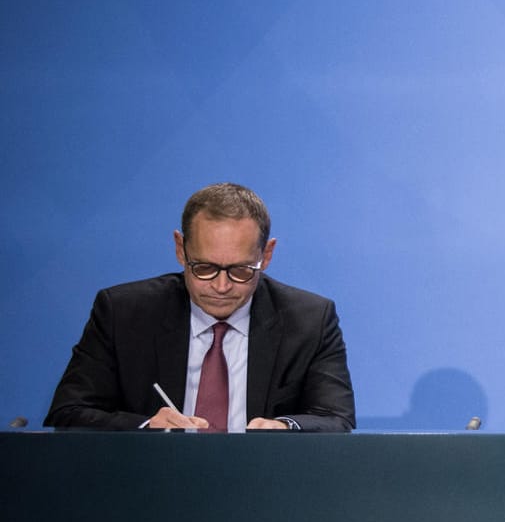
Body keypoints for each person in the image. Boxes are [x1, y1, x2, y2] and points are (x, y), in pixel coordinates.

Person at [45, 182, 356, 431]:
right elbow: (69, 412)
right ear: (181, 249)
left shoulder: (310, 320)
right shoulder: (123, 313)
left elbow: (335, 417)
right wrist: (145, 426)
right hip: (149, 490)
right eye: (204, 268)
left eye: (241, 270)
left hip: (263, 492)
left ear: (268, 254)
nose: (221, 286)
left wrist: (284, 427)